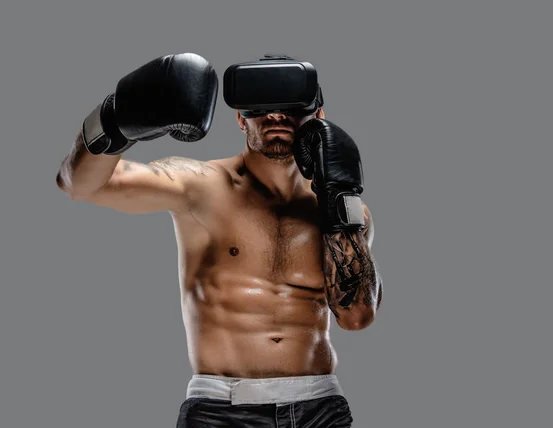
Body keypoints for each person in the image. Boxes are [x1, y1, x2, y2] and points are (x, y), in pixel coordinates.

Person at [56, 52, 383, 428]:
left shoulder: (344, 208)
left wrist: (339, 202)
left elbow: (357, 316)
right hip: (221, 409)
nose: (276, 115)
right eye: (260, 106)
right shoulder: (200, 185)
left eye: (291, 105)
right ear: (241, 118)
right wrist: (114, 119)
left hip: (320, 407)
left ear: (317, 118)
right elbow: (77, 184)